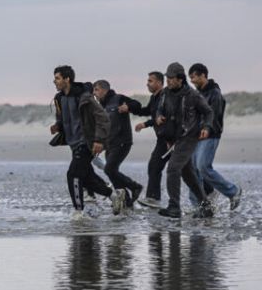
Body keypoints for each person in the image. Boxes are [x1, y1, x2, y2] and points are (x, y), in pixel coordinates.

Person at [49, 66, 122, 216]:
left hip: (87, 142)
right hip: (73, 143)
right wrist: (58, 126)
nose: (54, 81)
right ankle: (114, 195)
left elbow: (103, 118)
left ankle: (78, 212)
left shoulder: (84, 97)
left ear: (67, 79)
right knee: (87, 178)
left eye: (57, 78)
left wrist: (99, 140)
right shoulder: (59, 98)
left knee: (73, 174)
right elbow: (64, 119)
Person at [154, 63, 215, 219]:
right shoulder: (165, 93)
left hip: (189, 137)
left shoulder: (193, 95)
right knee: (188, 174)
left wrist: (206, 127)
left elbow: (208, 112)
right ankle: (206, 207)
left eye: (171, 78)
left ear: (180, 79)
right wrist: (158, 116)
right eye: (167, 77)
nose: (168, 80)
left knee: (173, 169)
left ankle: (174, 207)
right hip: (173, 138)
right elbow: (159, 109)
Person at [189, 63, 242, 210]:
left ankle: (233, 191)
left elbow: (214, 115)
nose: (192, 81)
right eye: (190, 78)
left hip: (210, 135)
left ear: (203, 75)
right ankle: (199, 205)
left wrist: (206, 128)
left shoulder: (215, 93)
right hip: (195, 137)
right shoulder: (197, 94)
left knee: (203, 167)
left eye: (193, 77)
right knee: (193, 171)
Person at [92, 80, 145, 207]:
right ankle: (126, 200)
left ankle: (135, 186)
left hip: (122, 142)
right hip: (109, 144)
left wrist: (128, 107)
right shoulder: (101, 106)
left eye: (96, 90)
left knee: (109, 169)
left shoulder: (119, 99)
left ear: (104, 90)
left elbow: (137, 104)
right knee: (112, 172)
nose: (94, 93)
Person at [120, 71, 168, 209]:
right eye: (148, 81)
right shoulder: (155, 97)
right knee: (154, 166)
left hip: (170, 138)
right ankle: (153, 198)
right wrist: (129, 108)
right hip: (163, 138)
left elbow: (163, 116)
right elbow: (147, 111)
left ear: (159, 82)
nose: (147, 84)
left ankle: (153, 198)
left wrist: (145, 124)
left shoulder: (165, 96)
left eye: (150, 81)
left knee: (157, 166)